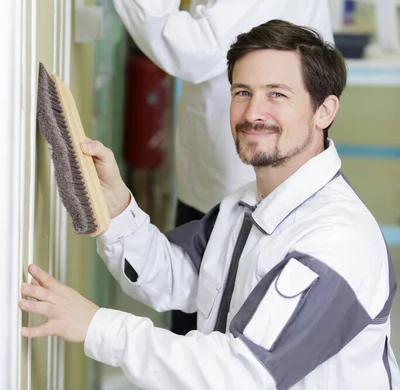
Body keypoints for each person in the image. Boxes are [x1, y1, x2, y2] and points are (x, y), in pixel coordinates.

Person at [68, 0, 333, 334]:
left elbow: (197, 49)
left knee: (211, 331)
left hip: (253, 176)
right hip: (214, 172)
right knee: (188, 308)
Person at [20, 20, 400, 389]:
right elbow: (174, 278)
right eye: (243, 92)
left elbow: (244, 374)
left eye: (277, 94)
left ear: (325, 111)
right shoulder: (244, 205)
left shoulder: (336, 240)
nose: (253, 113)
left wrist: (98, 327)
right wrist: (119, 207)